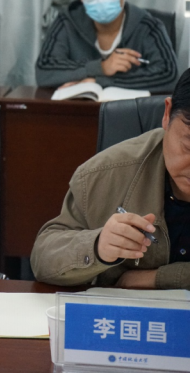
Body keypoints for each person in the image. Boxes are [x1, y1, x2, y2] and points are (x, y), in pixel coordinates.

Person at [31, 68, 190, 290]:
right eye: (188, 147)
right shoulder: (104, 173)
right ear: (167, 114)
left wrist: (153, 278)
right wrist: (97, 247)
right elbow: (43, 258)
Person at [36, 0, 178, 93]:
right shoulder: (66, 22)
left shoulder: (149, 26)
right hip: (79, 105)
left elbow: (169, 76)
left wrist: (98, 81)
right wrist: (101, 67)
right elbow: (44, 70)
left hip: (131, 107)